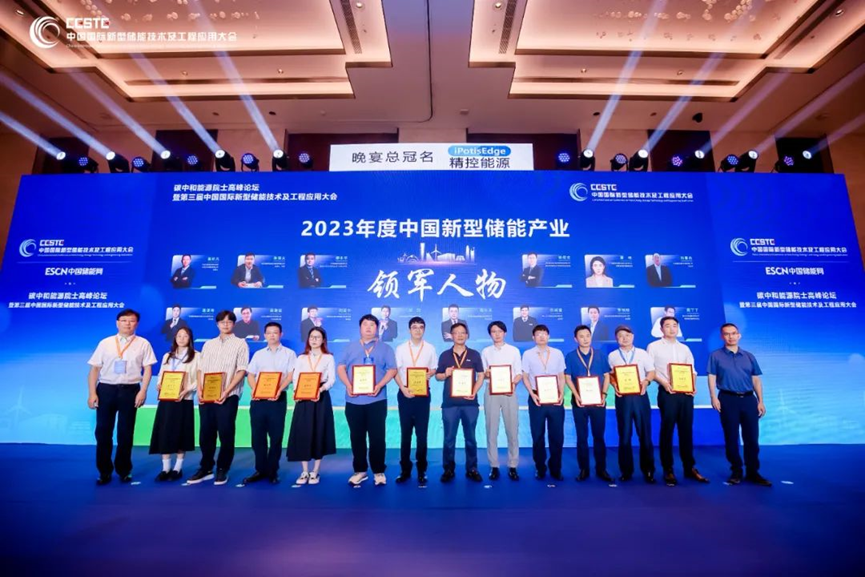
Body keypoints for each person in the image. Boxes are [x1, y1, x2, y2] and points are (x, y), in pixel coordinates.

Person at [87, 308, 157, 485]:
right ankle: (104, 471)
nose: (128, 323)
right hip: (106, 390)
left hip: (130, 390)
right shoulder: (105, 343)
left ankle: (124, 470)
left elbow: (148, 369)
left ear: (137, 324)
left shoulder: (143, 343)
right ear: (117, 323)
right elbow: (94, 369)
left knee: (126, 432)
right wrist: (92, 393)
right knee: (103, 431)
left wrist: (143, 391)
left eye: (132, 321)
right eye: (124, 320)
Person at [187, 310, 249, 486]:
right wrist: (200, 389)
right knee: (206, 433)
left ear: (234, 324)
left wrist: (226, 391)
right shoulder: (209, 344)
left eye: (229, 322)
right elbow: (200, 369)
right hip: (207, 395)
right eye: (222, 322)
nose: (225, 325)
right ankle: (206, 467)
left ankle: (223, 468)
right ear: (217, 324)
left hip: (228, 395)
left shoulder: (240, 344)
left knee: (226, 433)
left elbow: (241, 370)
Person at [337, 314, 397, 486]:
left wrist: (380, 385)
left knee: (377, 437)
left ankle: (378, 471)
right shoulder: (350, 347)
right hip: (353, 400)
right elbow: (341, 367)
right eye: (365, 324)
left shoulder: (385, 348)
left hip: (377, 400)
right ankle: (360, 470)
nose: (369, 328)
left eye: (372, 325)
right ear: (360, 327)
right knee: (357, 437)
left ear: (377, 328)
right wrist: (348, 385)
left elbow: (392, 370)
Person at [707, 323, 771, 486]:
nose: (731, 336)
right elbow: (712, 377)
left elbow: (756, 379)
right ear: (722, 336)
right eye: (727, 334)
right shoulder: (716, 355)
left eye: (734, 333)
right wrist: (713, 397)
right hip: (727, 399)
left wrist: (760, 401)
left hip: (749, 399)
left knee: (752, 438)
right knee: (731, 437)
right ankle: (736, 471)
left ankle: (753, 472)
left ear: (739, 335)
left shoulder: (749, 356)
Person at [647, 316, 708, 486]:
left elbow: (692, 370)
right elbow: (650, 370)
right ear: (661, 329)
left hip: (686, 394)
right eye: (667, 326)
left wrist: (692, 386)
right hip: (667, 393)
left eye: (675, 325)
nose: (672, 329)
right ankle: (668, 469)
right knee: (667, 431)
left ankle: (689, 468)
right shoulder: (653, 346)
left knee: (686, 431)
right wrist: (665, 384)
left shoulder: (684, 348)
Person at [244, 322, 296, 485]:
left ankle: (273, 470)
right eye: (269, 332)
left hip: (278, 399)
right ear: (265, 335)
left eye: (275, 332)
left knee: (276, 436)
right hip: (258, 400)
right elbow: (250, 374)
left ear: (281, 334)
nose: (272, 335)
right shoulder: (259, 354)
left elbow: (291, 375)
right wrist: (254, 389)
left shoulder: (289, 354)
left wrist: (279, 390)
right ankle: (260, 469)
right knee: (257, 436)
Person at [435, 322, 484, 483]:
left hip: (470, 404)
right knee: (449, 439)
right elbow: (438, 376)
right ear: (451, 336)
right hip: (450, 404)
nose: (460, 335)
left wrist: (474, 391)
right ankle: (448, 469)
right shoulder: (445, 355)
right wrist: (445, 374)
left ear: (467, 335)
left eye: (463, 332)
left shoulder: (475, 354)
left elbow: (481, 375)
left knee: (471, 438)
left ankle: (472, 469)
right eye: (456, 333)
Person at [287, 327, 337, 484]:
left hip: (321, 397)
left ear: (323, 340)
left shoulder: (328, 358)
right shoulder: (301, 358)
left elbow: (332, 379)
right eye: (312, 337)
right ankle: (304, 471)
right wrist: (296, 393)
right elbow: (296, 378)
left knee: (319, 431)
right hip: (303, 397)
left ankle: (315, 471)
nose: (314, 340)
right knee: (303, 432)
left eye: (318, 337)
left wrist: (320, 390)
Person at [149, 326, 199, 482]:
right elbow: (162, 374)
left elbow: (200, 378)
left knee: (181, 432)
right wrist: (159, 384)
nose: (182, 339)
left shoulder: (197, 356)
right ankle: (165, 468)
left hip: (184, 399)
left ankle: (178, 467)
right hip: (167, 398)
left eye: (185, 336)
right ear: (175, 338)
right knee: (164, 432)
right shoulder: (168, 355)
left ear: (190, 338)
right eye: (179, 336)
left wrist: (187, 389)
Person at [564, 324, 613, 482]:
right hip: (579, 401)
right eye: (581, 336)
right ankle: (584, 469)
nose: (585, 339)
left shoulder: (600, 354)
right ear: (575, 339)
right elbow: (567, 377)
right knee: (582, 436)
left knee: (599, 436)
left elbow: (607, 376)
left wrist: (604, 394)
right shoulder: (570, 356)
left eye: (587, 336)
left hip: (598, 401)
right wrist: (576, 395)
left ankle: (601, 469)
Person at [607, 325, 656, 484]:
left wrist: (646, 381)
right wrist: (614, 385)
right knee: (624, 435)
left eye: (627, 335)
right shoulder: (612, 356)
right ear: (617, 339)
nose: (625, 338)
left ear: (633, 336)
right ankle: (626, 471)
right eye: (621, 336)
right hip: (622, 399)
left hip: (640, 396)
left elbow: (651, 371)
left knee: (645, 435)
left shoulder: (642, 353)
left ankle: (648, 470)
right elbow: (611, 375)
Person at [393, 317, 438, 485]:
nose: (418, 330)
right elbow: (395, 371)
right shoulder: (401, 349)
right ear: (409, 330)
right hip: (405, 394)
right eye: (414, 327)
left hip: (423, 395)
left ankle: (421, 470)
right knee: (405, 434)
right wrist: (403, 388)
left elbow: (434, 368)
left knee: (422, 434)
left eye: (421, 327)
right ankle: (405, 469)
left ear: (424, 329)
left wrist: (430, 374)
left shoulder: (430, 348)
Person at [521, 324, 566, 481]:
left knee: (557, 436)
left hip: (555, 398)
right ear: (533, 337)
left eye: (544, 333)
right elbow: (525, 376)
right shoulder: (528, 354)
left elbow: (561, 375)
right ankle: (540, 467)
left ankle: (556, 468)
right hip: (537, 398)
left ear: (548, 336)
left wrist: (561, 394)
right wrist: (532, 394)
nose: (541, 336)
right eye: (538, 334)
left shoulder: (557, 353)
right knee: (537, 435)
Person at [481, 321, 523, 481]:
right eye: (493, 331)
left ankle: (513, 465)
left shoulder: (513, 350)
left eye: (499, 331)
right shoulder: (486, 351)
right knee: (491, 429)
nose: (497, 334)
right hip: (491, 391)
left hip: (509, 391)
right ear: (490, 334)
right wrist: (487, 373)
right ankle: (494, 466)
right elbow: (483, 373)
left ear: (505, 333)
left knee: (512, 429)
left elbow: (518, 373)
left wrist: (513, 384)